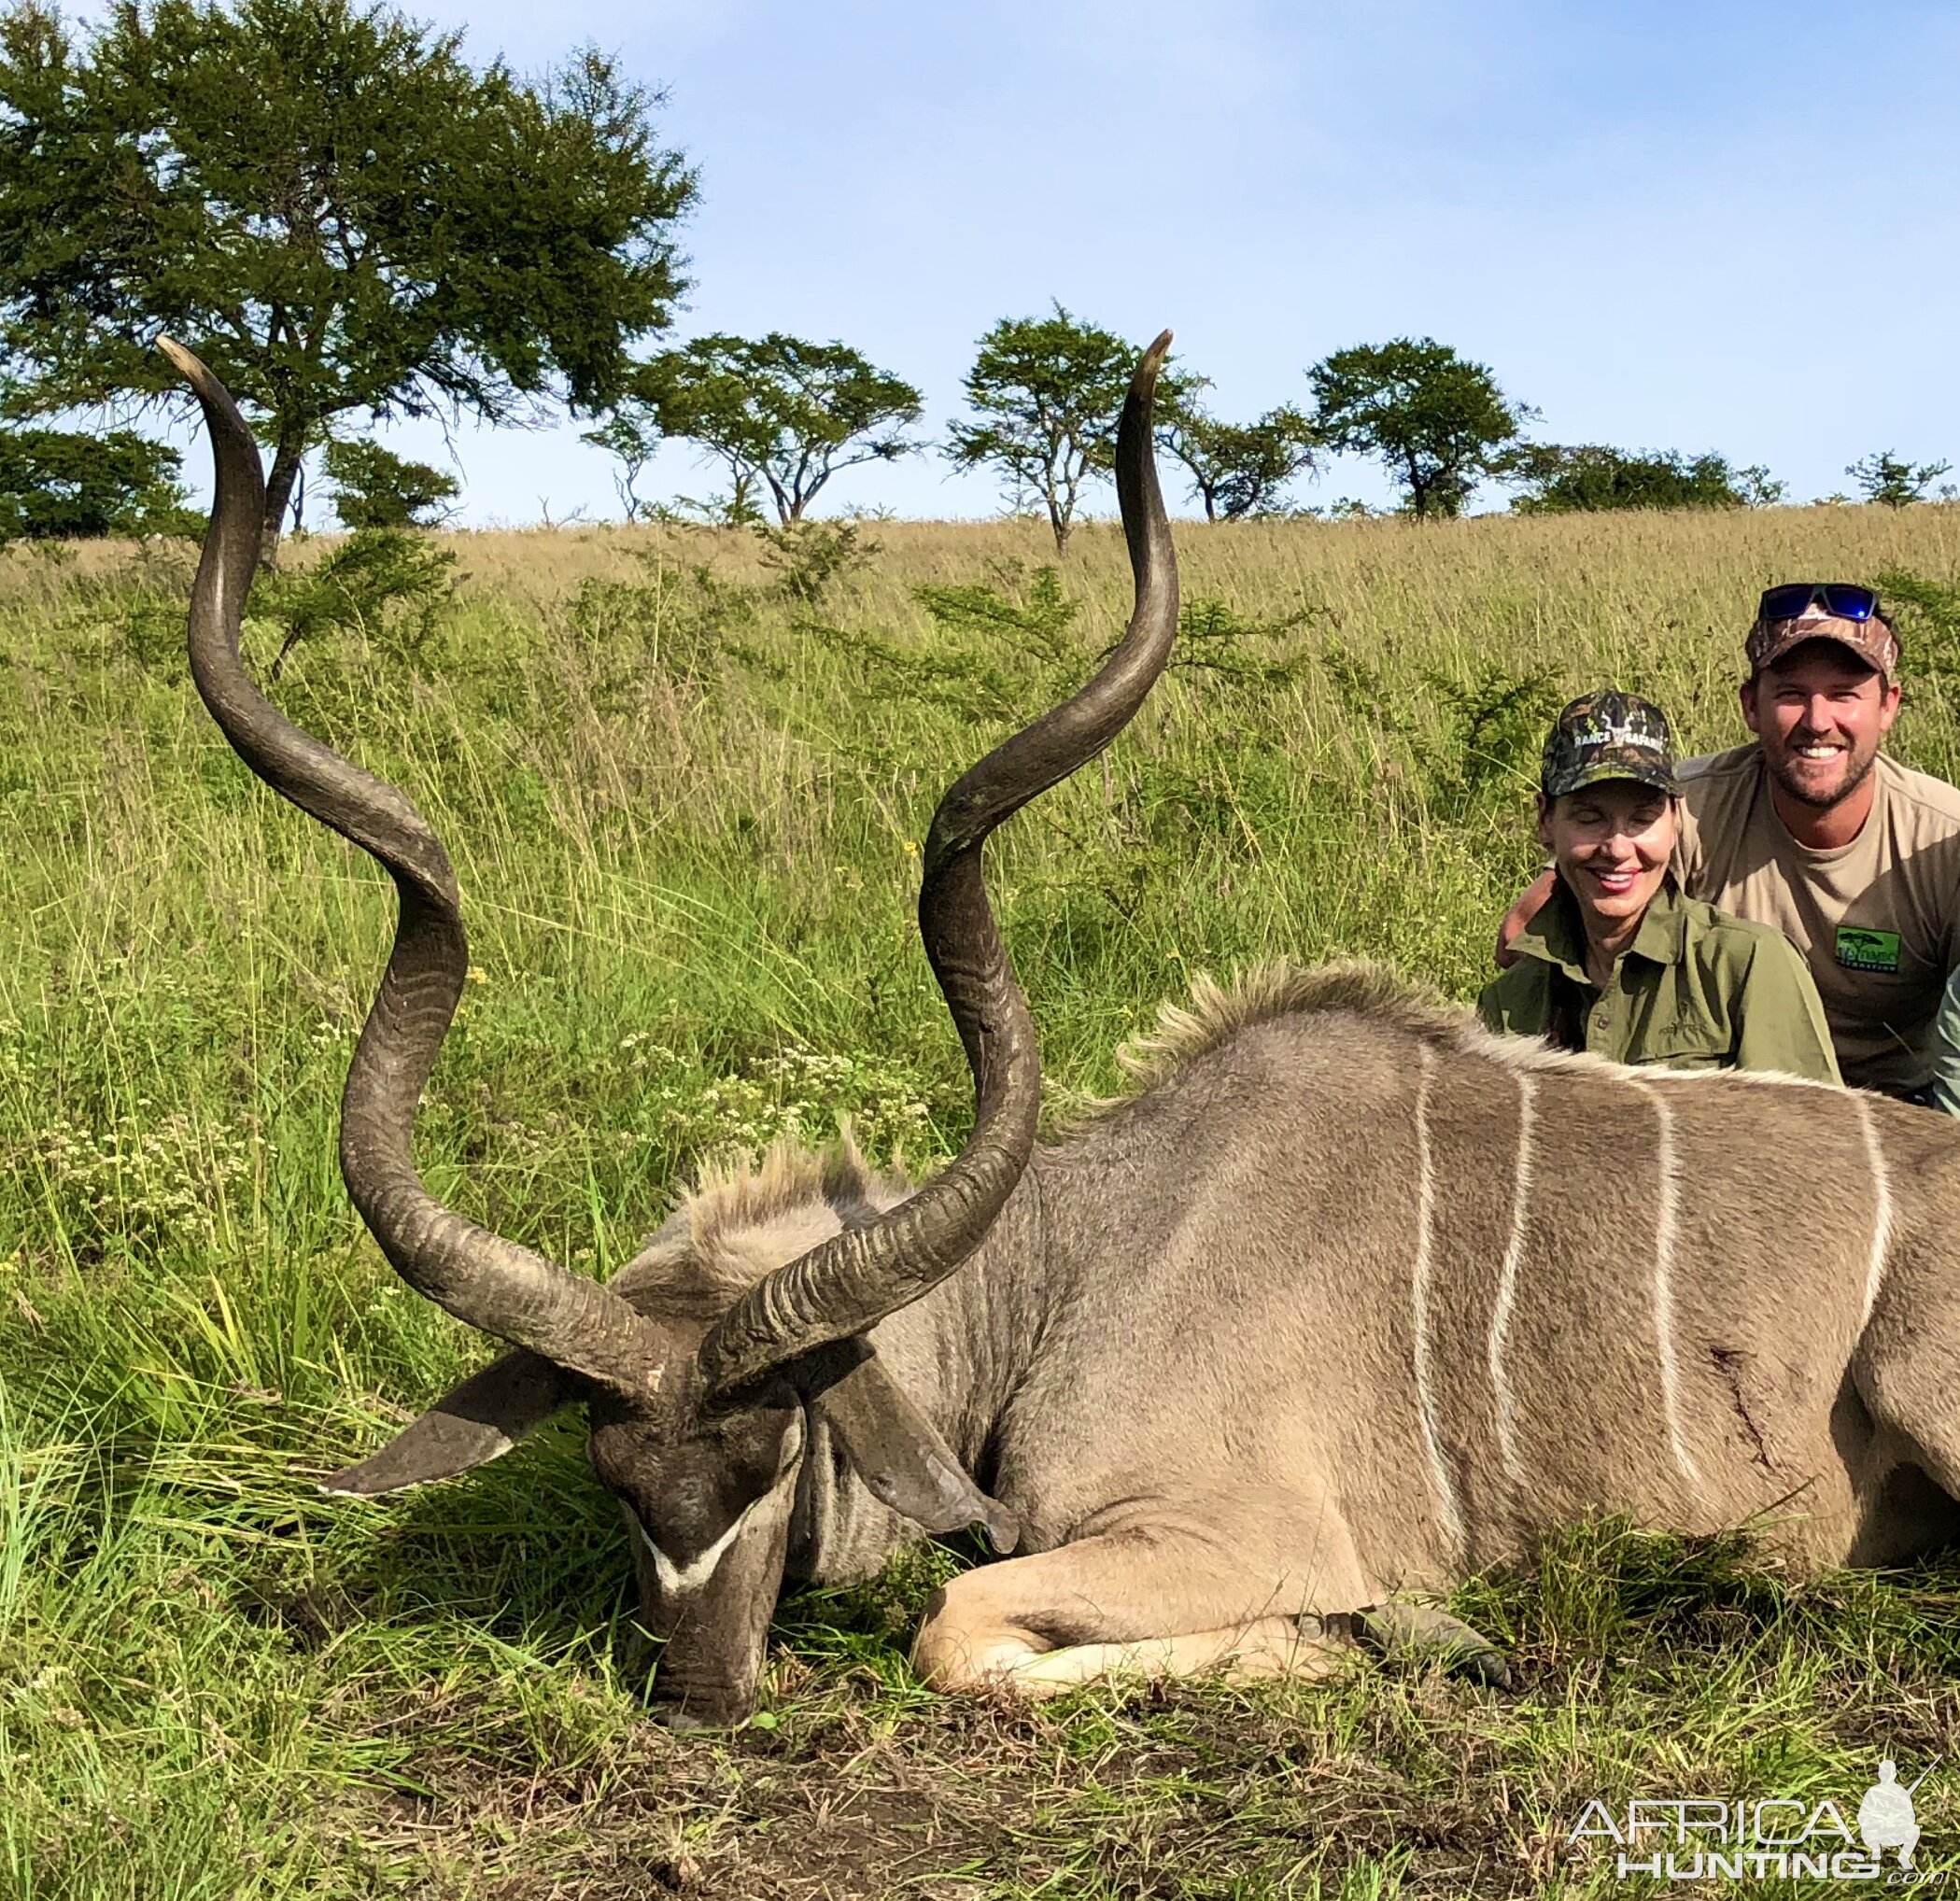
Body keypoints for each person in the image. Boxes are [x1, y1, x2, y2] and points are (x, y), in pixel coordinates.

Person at [1499, 584, 1960, 1101]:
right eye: (1790, 694)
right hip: (1731, 1108)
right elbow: (1527, 925)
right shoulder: (1689, 806)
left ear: (1889, 706)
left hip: (1899, 1115)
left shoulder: (1942, 839)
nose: (1817, 720)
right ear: (1751, 706)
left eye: (1844, 694)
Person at [1480, 689, 1840, 1080]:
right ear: (1546, 821)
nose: (1617, 848)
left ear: (1675, 820)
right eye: (1589, 818)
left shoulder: (1747, 965)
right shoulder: (1509, 1003)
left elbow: (1813, 1134)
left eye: (1642, 819)